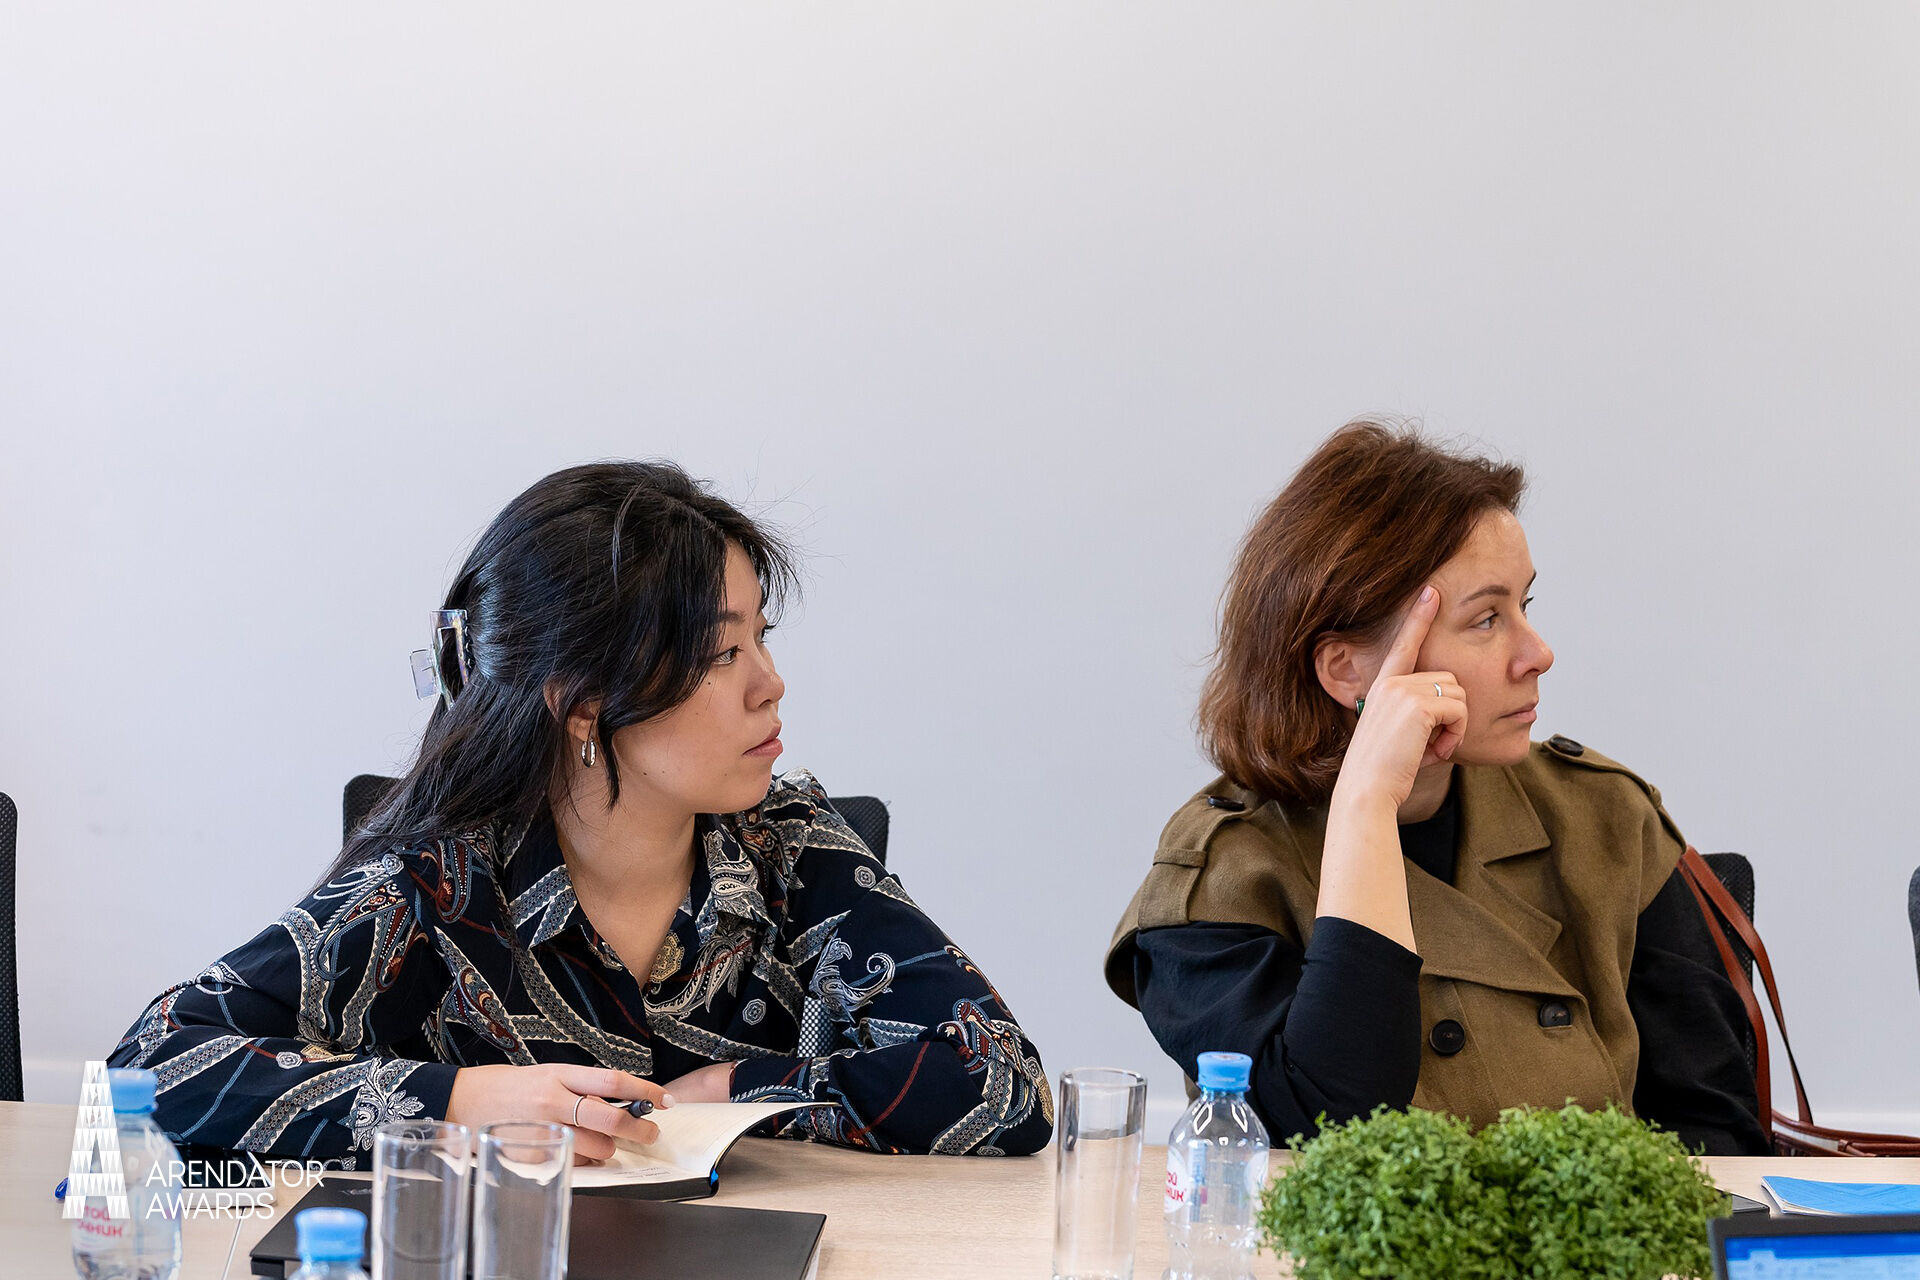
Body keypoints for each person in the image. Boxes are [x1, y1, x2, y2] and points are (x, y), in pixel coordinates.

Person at [110, 462, 1052, 1165]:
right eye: (723, 654)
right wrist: (457, 1103)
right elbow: (146, 1072)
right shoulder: (439, 886)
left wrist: (740, 1088)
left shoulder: (792, 848)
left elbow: (1004, 1083)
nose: (771, 685)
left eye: (762, 638)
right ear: (584, 703)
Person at [1105, 421, 1766, 1155]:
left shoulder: (1604, 818)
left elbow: (1718, 1141)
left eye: (1525, 607)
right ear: (1346, 670)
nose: (1538, 654)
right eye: (1485, 619)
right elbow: (1324, 1129)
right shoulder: (1220, 880)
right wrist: (1366, 804)